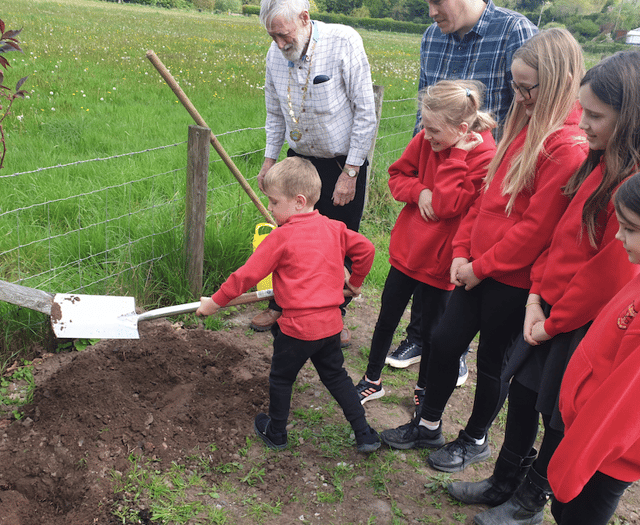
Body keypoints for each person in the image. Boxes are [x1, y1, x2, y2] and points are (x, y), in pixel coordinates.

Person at [379, 29, 588, 467]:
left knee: (494, 360)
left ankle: (474, 438)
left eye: (524, 87)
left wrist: (482, 266)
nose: (516, 95)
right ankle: (429, 426)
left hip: (510, 279)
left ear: (552, 83)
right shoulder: (522, 126)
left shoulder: (566, 147)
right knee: (442, 340)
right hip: (475, 267)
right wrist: (461, 252)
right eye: (514, 84)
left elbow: (534, 229)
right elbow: (484, 198)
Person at [448, 49, 640, 525]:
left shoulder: (630, 190)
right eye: (583, 110)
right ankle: (504, 480)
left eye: (595, 115)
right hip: (548, 308)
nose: (584, 123)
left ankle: (531, 500)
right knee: (524, 395)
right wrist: (535, 295)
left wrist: (553, 322)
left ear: (630, 114)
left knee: (559, 415)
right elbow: (556, 238)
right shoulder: (595, 164)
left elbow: (606, 275)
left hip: (575, 322)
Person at [389, 0, 537, 374]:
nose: (430, 11)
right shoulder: (432, 37)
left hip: (486, 177)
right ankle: (419, 337)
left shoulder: (513, 31)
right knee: (429, 253)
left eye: (437, 2)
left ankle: (455, 349)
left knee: (460, 264)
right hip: (436, 172)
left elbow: (528, 109)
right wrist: (418, 182)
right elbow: (425, 115)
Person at [196, 156, 380, 453]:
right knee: (336, 377)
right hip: (331, 325)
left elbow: (245, 276)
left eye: (273, 202)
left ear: (298, 201)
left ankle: (277, 432)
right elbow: (367, 249)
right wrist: (355, 281)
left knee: (281, 378)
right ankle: (365, 433)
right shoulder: (334, 228)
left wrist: (214, 304)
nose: (269, 208)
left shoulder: (281, 237)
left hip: (297, 329)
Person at [355, 80, 497, 406]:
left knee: (434, 332)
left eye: (433, 129)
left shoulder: (484, 155)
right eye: (424, 125)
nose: (426, 134)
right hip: (408, 249)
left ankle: (423, 388)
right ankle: (371, 379)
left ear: (462, 128)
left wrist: (457, 156)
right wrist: (419, 191)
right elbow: (397, 176)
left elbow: (447, 206)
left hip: (442, 260)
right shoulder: (426, 140)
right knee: (387, 317)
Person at [249, 0, 377, 348]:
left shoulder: (344, 41)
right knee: (287, 239)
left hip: (341, 163)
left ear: (304, 19)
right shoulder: (274, 56)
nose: (278, 44)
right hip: (298, 161)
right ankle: (281, 305)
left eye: (283, 35)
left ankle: (336, 315)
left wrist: (350, 172)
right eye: (272, 36)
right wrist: (268, 160)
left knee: (337, 243)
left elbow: (366, 111)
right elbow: (274, 114)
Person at [548, 171, 640, 525]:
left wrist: (574, 464)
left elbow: (620, 405)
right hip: (589, 442)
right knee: (563, 510)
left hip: (603, 456)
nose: (617, 235)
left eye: (630, 228)